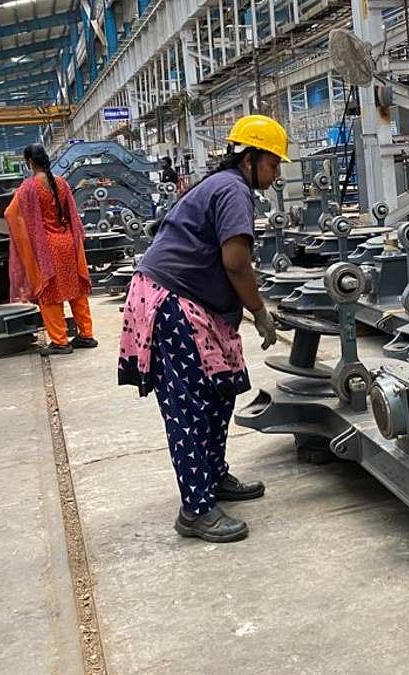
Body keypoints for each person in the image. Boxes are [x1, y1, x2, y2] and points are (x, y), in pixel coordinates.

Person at [117, 114, 286, 543]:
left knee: (221, 390)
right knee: (190, 407)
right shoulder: (233, 189)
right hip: (172, 303)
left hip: (195, 302)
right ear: (250, 158)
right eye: (274, 163)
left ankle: (212, 478)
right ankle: (196, 510)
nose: (277, 173)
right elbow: (235, 262)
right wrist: (259, 310)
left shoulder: (228, 185)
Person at [4, 144, 98, 355]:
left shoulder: (28, 188)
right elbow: (72, 216)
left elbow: (10, 214)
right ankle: (86, 334)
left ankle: (60, 341)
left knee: (50, 293)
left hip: (48, 247)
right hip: (68, 243)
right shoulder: (62, 183)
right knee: (76, 290)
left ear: (29, 162)